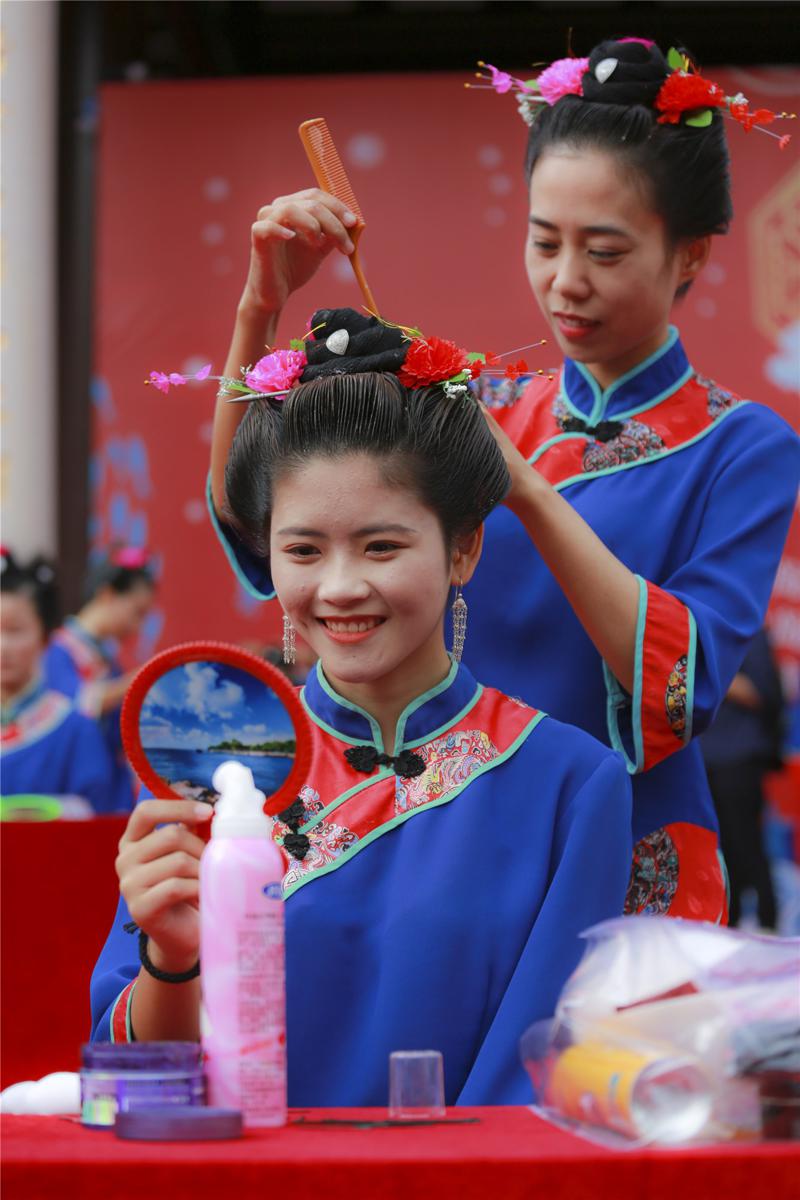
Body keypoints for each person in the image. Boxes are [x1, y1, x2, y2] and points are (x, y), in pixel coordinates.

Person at [205, 37, 800, 922]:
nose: (566, 282)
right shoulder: (483, 402)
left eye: (604, 250)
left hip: (625, 857)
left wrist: (523, 485)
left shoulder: (742, 446)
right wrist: (263, 307)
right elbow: (264, 512)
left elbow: (687, 684)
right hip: (455, 836)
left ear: (691, 257)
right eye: (544, 240)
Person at [91, 322, 633, 1105]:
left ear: (462, 551)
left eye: (381, 547)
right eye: (304, 551)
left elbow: (536, 1080)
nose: (339, 587)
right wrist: (172, 961)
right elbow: (138, 1088)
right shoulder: (203, 768)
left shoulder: (570, 786)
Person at [1, 550, 118, 814]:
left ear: (45, 637)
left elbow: (99, 816)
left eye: (15, 630)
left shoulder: (74, 726)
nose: (3, 647)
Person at [44, 548, 156, 811]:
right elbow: (80, 705)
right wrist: (141, 676)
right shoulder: (57, 652)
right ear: (107, 595)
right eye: (137, 612)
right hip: (75, 792)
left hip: (111, 794)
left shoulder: (109, 664)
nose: (138, 626)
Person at [702, 628, 786, 929]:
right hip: (703, 760)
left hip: (738, 760)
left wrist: (710, 678)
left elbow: (768, 693)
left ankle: (768, 922)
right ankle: (728, 922)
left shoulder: (749, 632)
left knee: (747, 846)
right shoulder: (694, 627)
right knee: (717, 853)